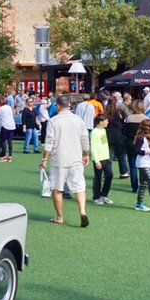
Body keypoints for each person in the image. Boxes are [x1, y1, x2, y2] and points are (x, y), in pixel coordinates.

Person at [41, 95, 90, 227]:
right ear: (69, 105)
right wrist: (86, 154)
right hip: (76, 158)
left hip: (59, 159)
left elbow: (49, 142)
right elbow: (85, 138)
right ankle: (82, 210)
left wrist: (44, 158)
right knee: (79, 187)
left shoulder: (53, 121)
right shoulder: (78, 119)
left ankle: (60, 216)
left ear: (57, 106)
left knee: (57, 189)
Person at [90, 113, 112, 206]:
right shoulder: (94, 132)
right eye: (106, 120)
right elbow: (93, 147)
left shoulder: (103, 130)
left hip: (106, 158)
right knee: (98, 178)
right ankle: (96, 197)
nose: (108, 122)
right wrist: (96, 160)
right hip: (98, 159)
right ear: (101, 122)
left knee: (109, 175)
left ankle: (104, 195)